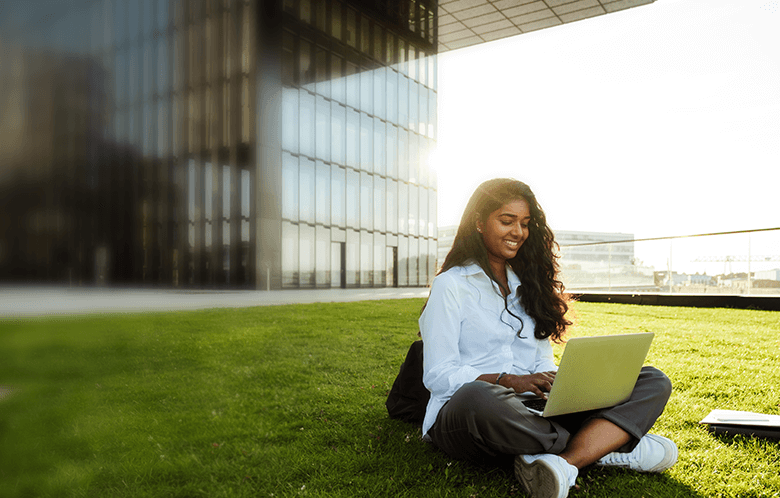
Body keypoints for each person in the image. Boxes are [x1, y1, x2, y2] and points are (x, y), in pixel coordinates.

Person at [419, 178, 676, 498]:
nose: (518, 232)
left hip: (534, 411)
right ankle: (605, 444)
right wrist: (509, 381)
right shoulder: (451, 286)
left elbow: (540, 359)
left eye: (525, 224)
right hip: (471, 411)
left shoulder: (528, 287)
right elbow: (439, 376)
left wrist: (559, 385)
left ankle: (566, 462)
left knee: (652, 379)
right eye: (507, 221)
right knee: (479, 398)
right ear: (478, 222)